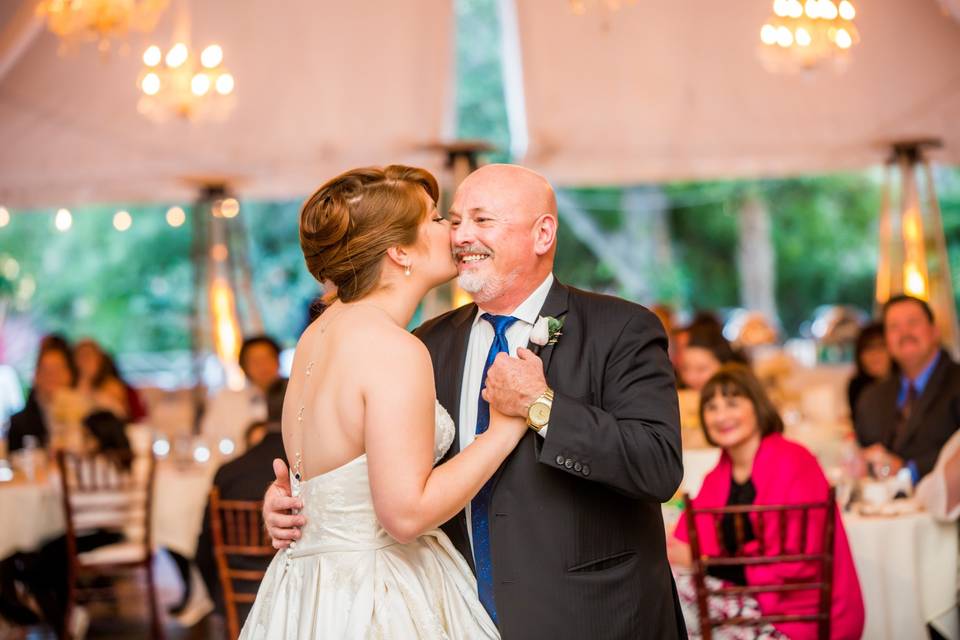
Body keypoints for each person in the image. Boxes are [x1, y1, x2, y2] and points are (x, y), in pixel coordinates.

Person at [263, 164, 686, 638]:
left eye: (481, 221)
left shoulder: (620, 329)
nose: (460, 234)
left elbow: (658, 468)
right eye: (452, 219)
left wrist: (541, 405)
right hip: (444, 606)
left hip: (590, 616)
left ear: (543, 233)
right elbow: (375, 469)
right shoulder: (420, 344)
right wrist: (302, 500)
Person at [241, 165, 529, 638]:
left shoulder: (316, 336)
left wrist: (291, 500)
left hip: (310, 590)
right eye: (436, 220)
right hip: (377, 596)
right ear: (399, 251)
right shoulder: (393, 348)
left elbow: (331, 477)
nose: (452, 231)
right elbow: (405, 514)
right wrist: (502, 432)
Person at [668, 364, 864, 640]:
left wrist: (703, 562)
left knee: (672, 592)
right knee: (663, 584)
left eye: (732, 403)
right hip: (752, 605)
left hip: (797, 617)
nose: (721, 415)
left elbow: (794, 566)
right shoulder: (720, 474)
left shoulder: (794, 463)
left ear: (757, 406)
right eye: (711, 407)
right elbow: (682, 540)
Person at [855, 295, 960, 481]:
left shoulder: (955, 383)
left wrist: (908, 470)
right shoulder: (873, 397)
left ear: (935, 331)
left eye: (913, 322)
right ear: (887, 339)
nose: (904, 333)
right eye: (894, 327)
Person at [200, 335, 283, 453]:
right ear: (244, 367)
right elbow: (210, 438)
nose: (263, 366)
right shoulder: (226, 401)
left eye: (267, 358)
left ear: (278, 361)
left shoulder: (295, 398)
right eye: (255, 361)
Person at [8, 337, 77, 452]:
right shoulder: (19, 423)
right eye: (46, 370)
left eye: (57, 370)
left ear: (70, 374)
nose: (52, 376)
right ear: (36, 376)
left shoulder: (87, 416)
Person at [73, 338, 134, 420]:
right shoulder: (71, 386)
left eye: (88, 356)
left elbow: (119, 415)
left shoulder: (113, 386)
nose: (85, 362)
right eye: (81, 356)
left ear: (99, 359)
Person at [846, 322, 890, 420]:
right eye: (868, 349)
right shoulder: (857, 387)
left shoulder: (907, 386)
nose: (874, 354)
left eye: (881, 346)